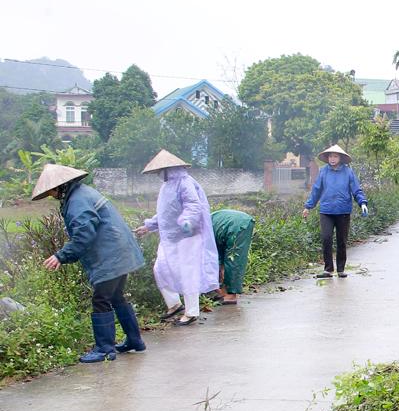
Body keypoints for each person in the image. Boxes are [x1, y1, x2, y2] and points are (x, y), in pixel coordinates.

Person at [32, 164, 146, 363]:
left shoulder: (77, 201)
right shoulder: (83, 193)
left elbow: (83, 236)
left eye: (51, 191)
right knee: (116, 296)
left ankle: (104, 349)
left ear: (60, 186)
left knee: (100, 300)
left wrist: (60, 256)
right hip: (120, 251)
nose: (51, 195)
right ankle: (135, 340)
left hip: (111, 255)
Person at [134, 149, 219, 326]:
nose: (158, 174)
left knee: (188, 272)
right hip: (170, 237)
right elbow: (165, 213)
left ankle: (191, 312)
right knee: (160, 268)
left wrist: (187, 220)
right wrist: (149, 226)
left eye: (160, 171)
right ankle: (174, 304)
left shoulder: (185, 182)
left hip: (188, 236)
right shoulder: (166, 186)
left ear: (168, 169)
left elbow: (193, 205)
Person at [302, 144, 368, 279]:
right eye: (330, 156)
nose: (332, 159)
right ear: (327, 158)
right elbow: (316, 190)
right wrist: (308, 206)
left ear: (341, 158)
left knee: (341, 240)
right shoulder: (323, 172)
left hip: (343, 211)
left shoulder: (348, 172)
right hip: (326, 211)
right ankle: (328, 270)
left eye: (335, 156)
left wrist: (362, 203)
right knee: (326, 238)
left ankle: (341, 269)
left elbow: (356, 190)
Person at [210, 209, 255, 305]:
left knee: (234, 258)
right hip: (229, 225)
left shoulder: (199, 235)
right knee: (225, 261)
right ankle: (224, 291)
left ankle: (231, 295)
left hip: (238, 225)